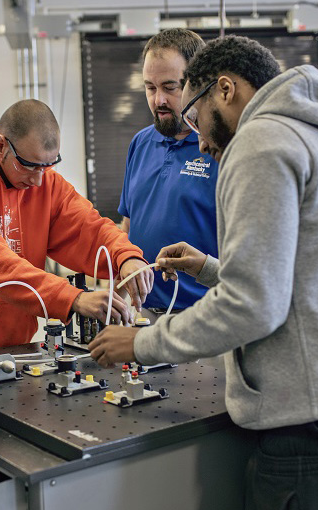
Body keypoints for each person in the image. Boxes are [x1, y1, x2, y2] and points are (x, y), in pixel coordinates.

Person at [89, 35, 318, 510]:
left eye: (194, 116)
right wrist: (209, 267)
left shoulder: (259, 142)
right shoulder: (314, 134)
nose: (197, 138)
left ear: (225, 89)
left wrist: (137, 344)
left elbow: (252, 304)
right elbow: (299, 281)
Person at [0, 99, 153, 349]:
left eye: (47, 166)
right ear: (0, 146)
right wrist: (71, 297)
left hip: (18, 350)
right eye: (29, 166)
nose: (38, 181)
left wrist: (126, 256)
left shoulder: (46, 185)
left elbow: (89, 228)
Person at [119, 28, 219, 323]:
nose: (158, 100)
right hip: (144, 316)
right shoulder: (140, 143)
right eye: (150, 87)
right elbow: (128, 227)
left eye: (170, 87)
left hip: (204, 319)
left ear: (197, 83)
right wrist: (119, 301)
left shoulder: (218, 149)